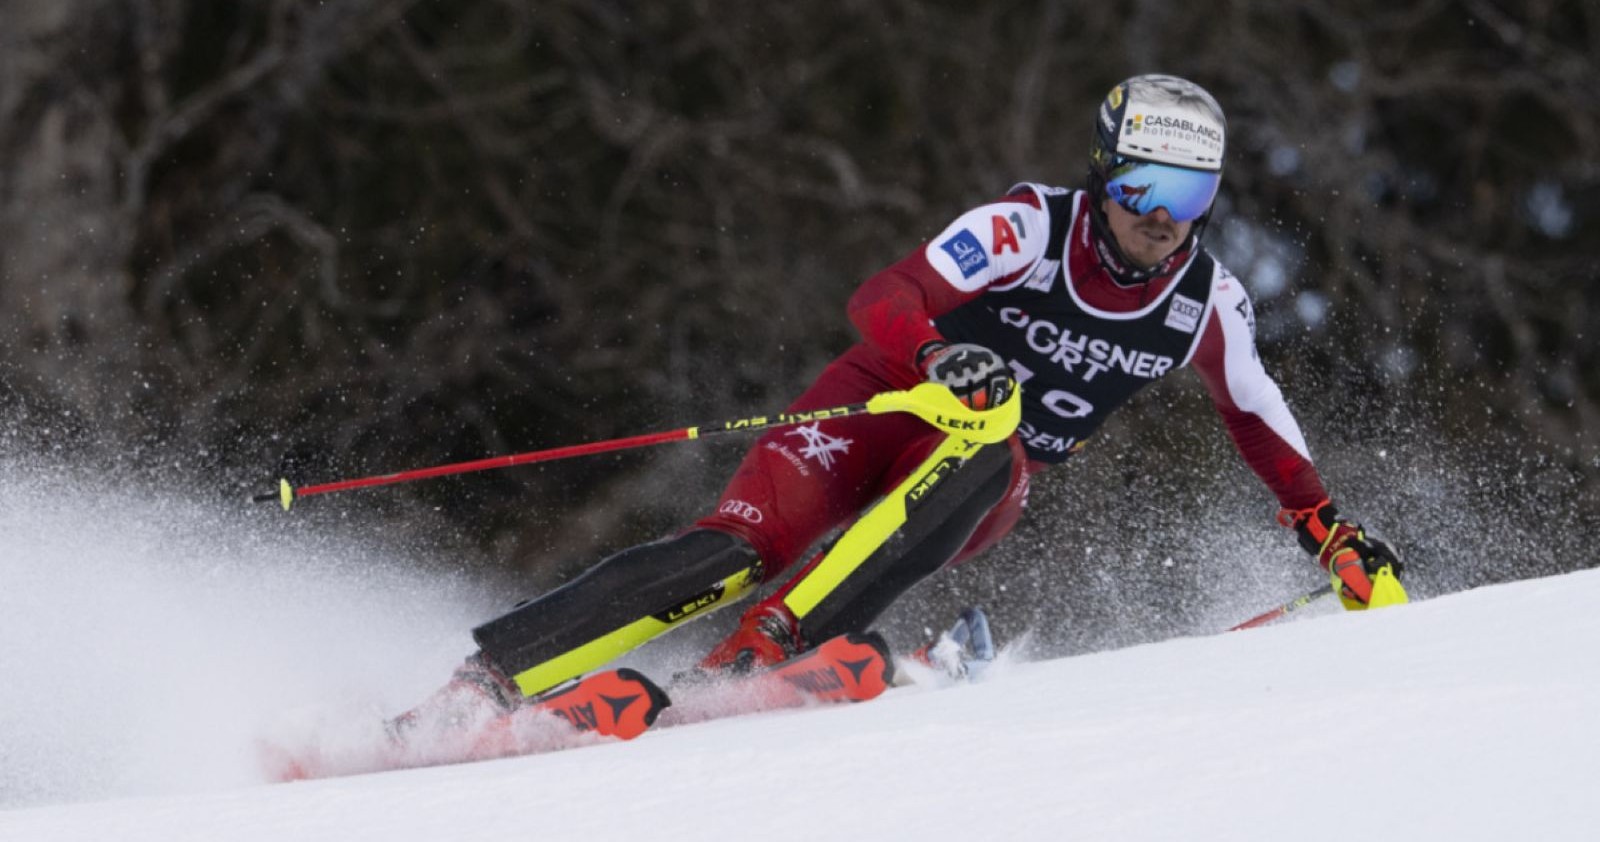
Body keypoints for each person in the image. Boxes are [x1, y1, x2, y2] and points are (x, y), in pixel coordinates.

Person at [408, 73, 1403, 726]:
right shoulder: (1026, 226)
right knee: (734, 548)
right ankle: (481, 686)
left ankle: (763, 652)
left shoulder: (1204, 301)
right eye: (1143, 187)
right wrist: (936, 354)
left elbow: (1256, 412)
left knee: (996, 443)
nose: (1159, 220)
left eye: (1187, 198)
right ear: (1104, 174)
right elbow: (883, 295)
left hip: (974, 478)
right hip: (876, 407)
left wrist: (1327, 529)